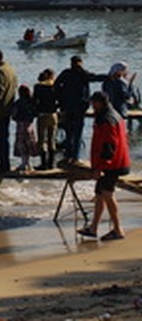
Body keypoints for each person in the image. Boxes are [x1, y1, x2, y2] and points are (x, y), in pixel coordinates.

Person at [77, 91, 130, 241]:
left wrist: (100, 167)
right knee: (100, 194)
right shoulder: (112, 114)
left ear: (100, 103)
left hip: (112, 164)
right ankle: (93, 228)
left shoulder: (107, 120)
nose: (91, 105)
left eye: (93, 102)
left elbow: (109, 147)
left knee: (107, 194)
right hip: (116, 160)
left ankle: (118, 230)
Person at [54, 56, 105, 164]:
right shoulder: (82, 74)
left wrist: (60, 99)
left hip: (68, 106)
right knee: (77, 132)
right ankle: (75, 157)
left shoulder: (66, 73)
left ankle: (68, 156)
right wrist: (109, 77)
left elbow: (56, 85)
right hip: (79, 107)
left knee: (69, 132)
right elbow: (95, 77)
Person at [33, 68, 58, 170]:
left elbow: (34, 101)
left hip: (42, 115)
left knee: (42, 140)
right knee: (51, 140)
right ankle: (51, 164)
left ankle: (43, 164)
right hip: (53, 115)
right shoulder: (55, 86)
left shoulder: (38, 87)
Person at [11, 85, 38, 172]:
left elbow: (14, 114)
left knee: (22, 145)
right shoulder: (31, 102)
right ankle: (28, 163)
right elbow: (35, 113)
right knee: (29, 143)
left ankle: (24, 163)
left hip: (21, 125)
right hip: (30, 125)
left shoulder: (18, 103)